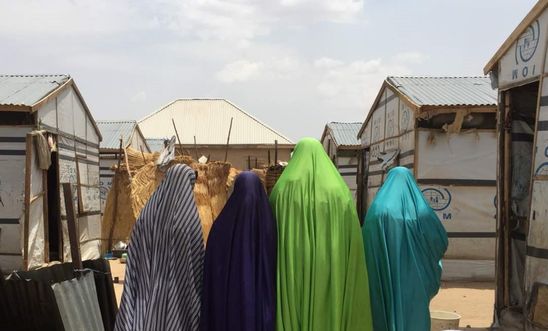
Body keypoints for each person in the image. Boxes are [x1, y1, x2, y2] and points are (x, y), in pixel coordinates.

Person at [269, 138, 373, 331]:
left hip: (292, 272)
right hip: (332, 268)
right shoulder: (339, 191)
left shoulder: (281, 191)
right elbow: (353, 239)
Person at [115, 164, 204, 331]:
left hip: (143, 291)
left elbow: (133, 254)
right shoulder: (187, 220)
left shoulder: (146, 214)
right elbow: (196, 264)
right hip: (177, 297)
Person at [362, 166, 448, 331]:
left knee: (383, 312)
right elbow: (440, 240)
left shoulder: (376, 210)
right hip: (414, 280)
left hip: (381, 277)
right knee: (413, 315)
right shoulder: (421, 211)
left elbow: (366, 245)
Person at [200, 171, 276, 331]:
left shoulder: (220, 227)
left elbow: (211, 276)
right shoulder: (268, 224)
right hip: (260, 311)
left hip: (227, 314)